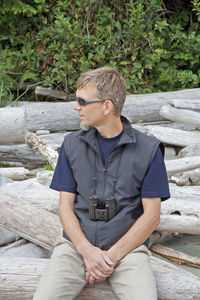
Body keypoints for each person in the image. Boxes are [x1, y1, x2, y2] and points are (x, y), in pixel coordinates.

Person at [33, 67, 170, 300]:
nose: (76, 107)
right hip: (75, 248)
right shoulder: (71, 145)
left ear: (107, 107)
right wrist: (87, 251)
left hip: (128, 251)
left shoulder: (149, 150)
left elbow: (152, 216)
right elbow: (65, 207)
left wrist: (111, 257)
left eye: (82, 101)